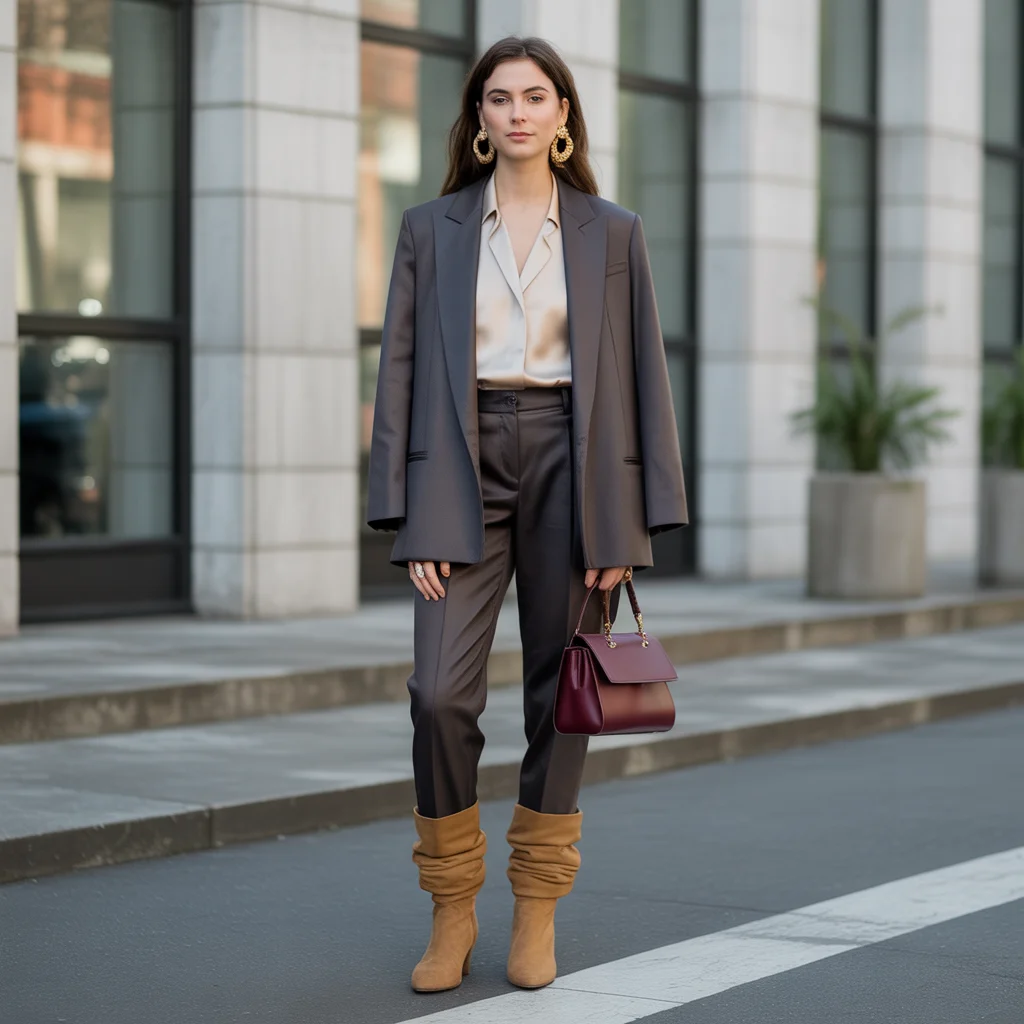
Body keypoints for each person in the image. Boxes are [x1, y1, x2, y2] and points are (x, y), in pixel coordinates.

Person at [366, 35, 688, 994]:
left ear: (562, 117)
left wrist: (628, 530)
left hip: (572, 464)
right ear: (476, 121)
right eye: (498, 98)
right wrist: (403, 515)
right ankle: (452, 903)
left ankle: (537, 906)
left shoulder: (611, 230)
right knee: (438, 695)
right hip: (460, 466)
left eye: (534, 96)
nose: (515, 112)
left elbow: (642, 383)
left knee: (563, 695)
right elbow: (400, 376)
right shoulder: (429, 229)